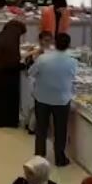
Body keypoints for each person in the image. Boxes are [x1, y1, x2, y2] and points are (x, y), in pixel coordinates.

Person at [29, 33, 77, 166]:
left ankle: (39, 156)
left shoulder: (43, 59)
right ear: (68, 45)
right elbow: (73, 77)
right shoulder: (72, 61)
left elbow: (31, 73)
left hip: (42, 98)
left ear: (55, 43)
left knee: (41, 128)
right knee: (60, 130)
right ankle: (60, 158)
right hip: (62, 100)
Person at [0, 20, 27, 128]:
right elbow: (12, 63)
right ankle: (7, 121)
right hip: (9, 76)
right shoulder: (12, 41)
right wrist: (23, 65)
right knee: (7, 100)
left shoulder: (3, 36)